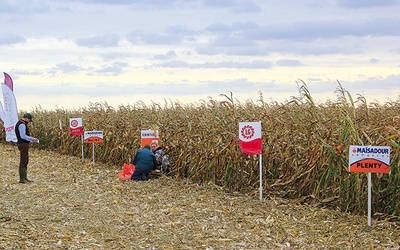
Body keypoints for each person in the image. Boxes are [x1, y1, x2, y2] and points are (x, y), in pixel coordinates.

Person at [15, 113, 39, 184]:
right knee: (23, 161)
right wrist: (32, 139)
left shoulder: (20, 123)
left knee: (25, 160)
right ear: (27, 118)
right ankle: (22, 179)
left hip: (22, 144)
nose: (29, 122)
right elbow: (23, 136)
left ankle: (24, 178)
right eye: (29, 120)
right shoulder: (22, 124)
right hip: (23, 144)